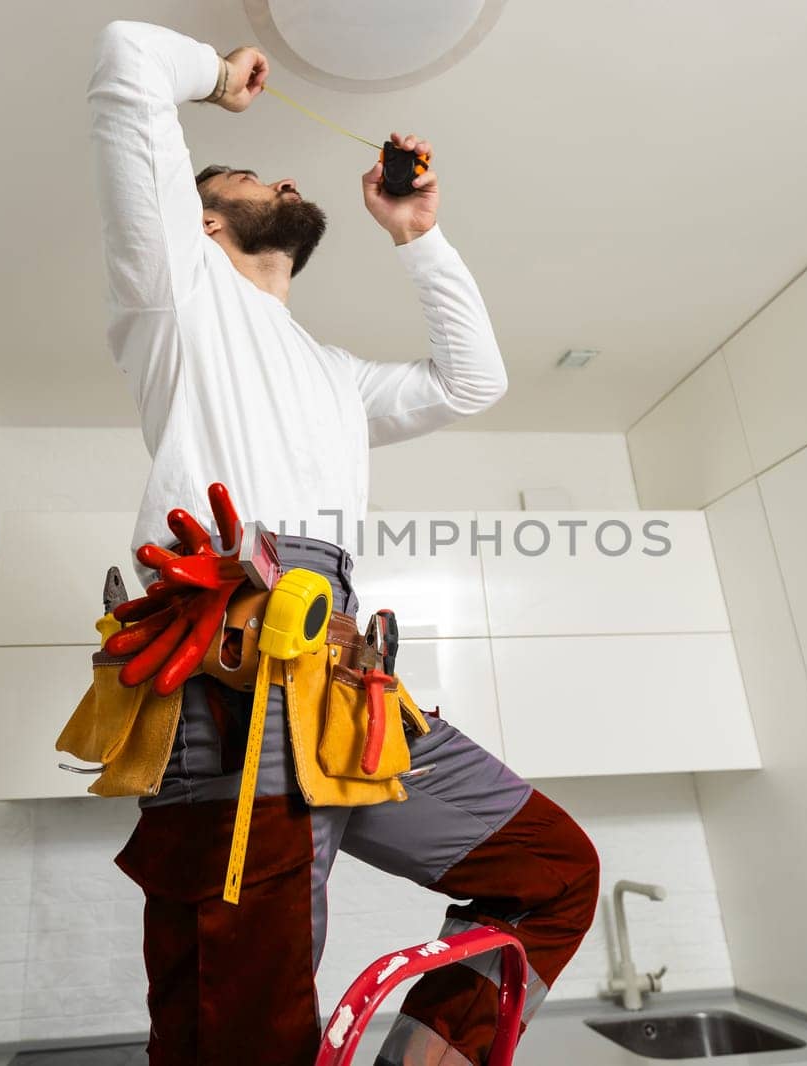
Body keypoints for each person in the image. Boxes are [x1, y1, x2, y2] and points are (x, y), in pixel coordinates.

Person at [87, 20, 599, 1065]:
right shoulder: (175, 297)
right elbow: (128, 55)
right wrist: (223, 78)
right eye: (247, 176)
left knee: (551, 869)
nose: (279, 175)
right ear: (199, 224)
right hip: (229, 660)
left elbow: (471, 382)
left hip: (345, 682)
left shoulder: (331, 373)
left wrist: (417, 234)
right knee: (244, 1006)